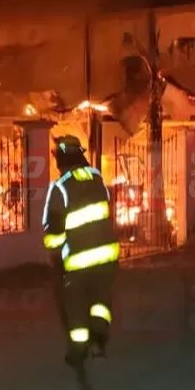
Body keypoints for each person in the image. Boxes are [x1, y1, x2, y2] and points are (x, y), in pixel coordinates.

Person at [43, 135, 121, 366]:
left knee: (75, 305)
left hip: (78, 260)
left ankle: (78, 350)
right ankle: (99, 334)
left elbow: (54, 229)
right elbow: (109, 206)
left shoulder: (60, 187)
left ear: (61, 159)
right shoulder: (97, 177)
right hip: (107, 255)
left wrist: (55, 255)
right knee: (100, 298)